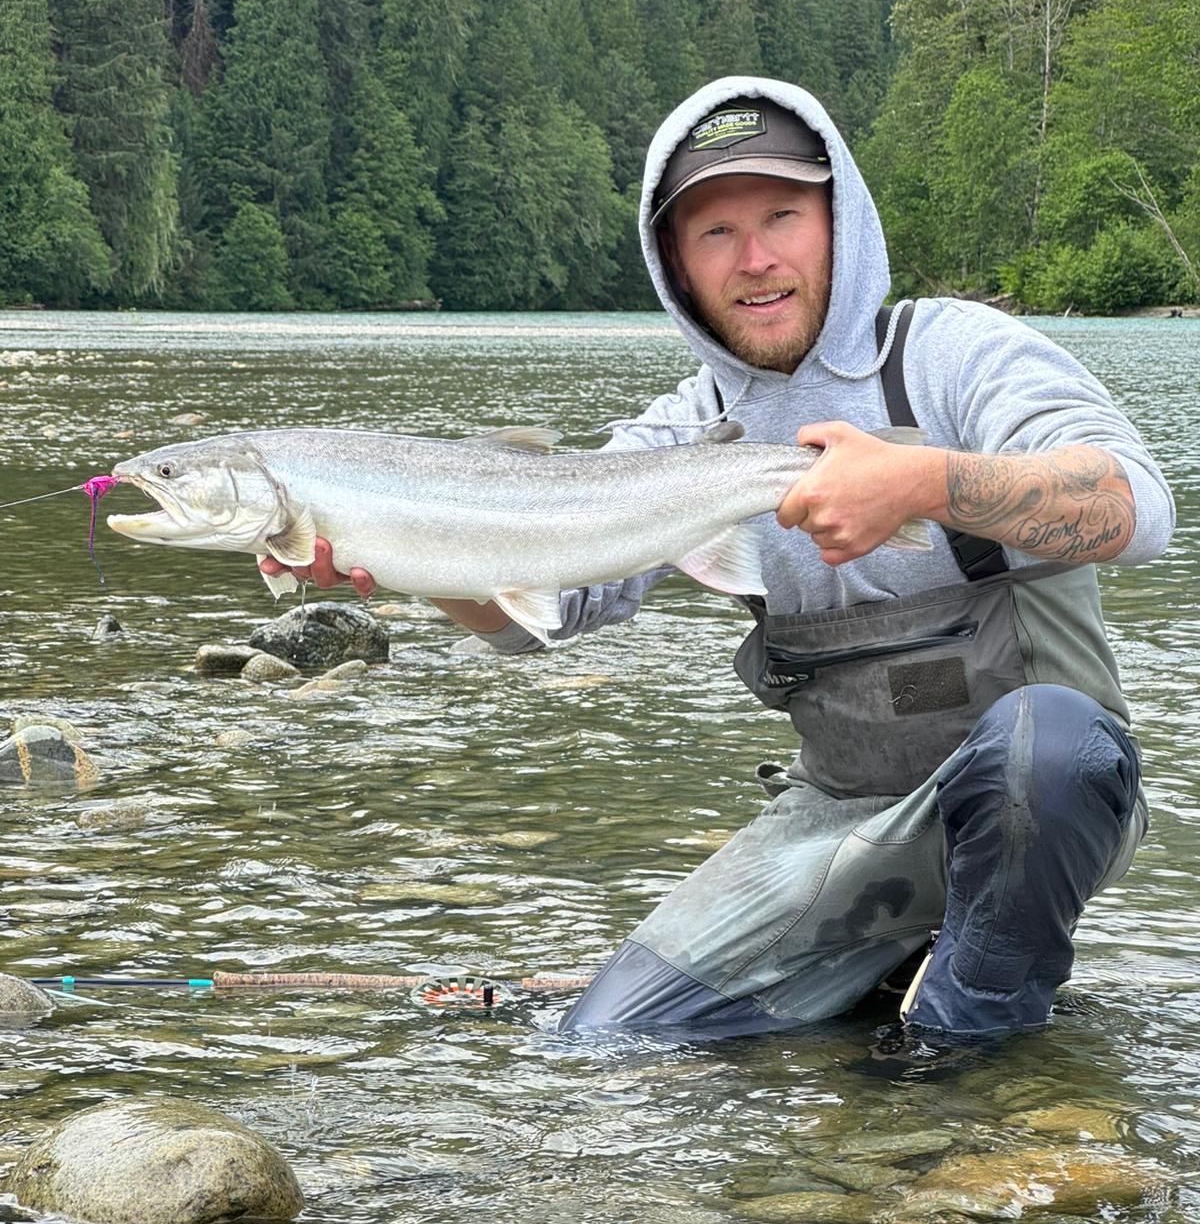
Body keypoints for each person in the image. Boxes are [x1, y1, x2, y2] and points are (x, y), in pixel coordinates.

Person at [261, 77, 1174, 1040]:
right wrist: (416, 558)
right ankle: (889, 961)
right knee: (610, 1040)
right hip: (842, 820)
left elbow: (1136, 508)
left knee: (1053, 745)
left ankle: (962, 1046)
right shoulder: (682, 433)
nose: (756, 259)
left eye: (782, 214)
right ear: (676, 268)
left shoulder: (957, 354)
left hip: (1050, 801)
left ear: (839, 223)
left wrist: (928, 484)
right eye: (714, 234)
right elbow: (545, 620)